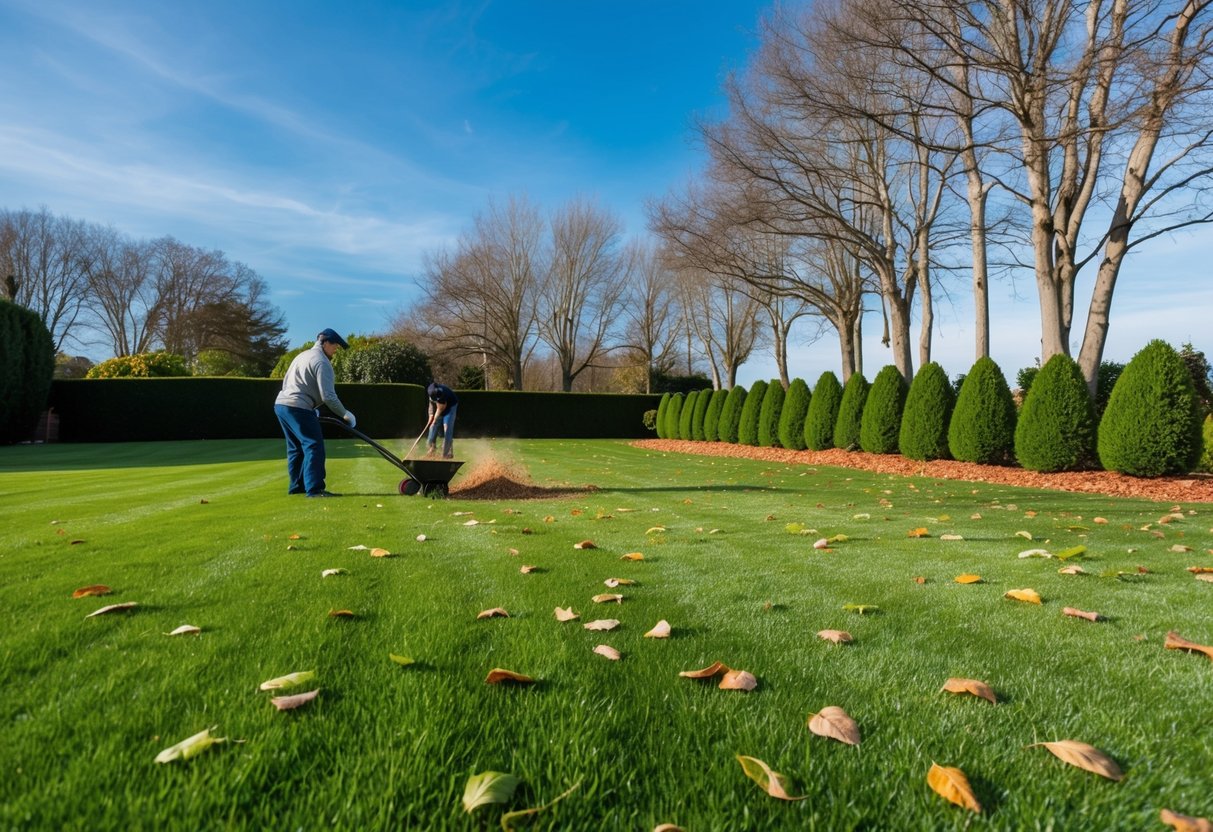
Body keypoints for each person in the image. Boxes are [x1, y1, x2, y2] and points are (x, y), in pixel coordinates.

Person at [273, 328, 356, 497]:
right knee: (314, 446)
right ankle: (315, 489)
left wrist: (310, 409)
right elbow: (329, 396)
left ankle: (297, 487)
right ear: (325, 343)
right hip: (298, 406)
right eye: (334, 346)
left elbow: (289, 382)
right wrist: (345, 413)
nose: (336, 349)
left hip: (282, 405)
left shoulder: (301, 356)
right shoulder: (322, 362)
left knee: (296, 448)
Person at [425, 381, 459, 459]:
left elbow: (441, 408)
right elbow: (431, 405)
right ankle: (432, 447)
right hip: (440, 407)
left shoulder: (442, 392)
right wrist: (431, 416)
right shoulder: (431, 391)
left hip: (450, 407)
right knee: (432, 426)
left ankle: (447, 453)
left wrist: (435, 419)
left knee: (447, 428)